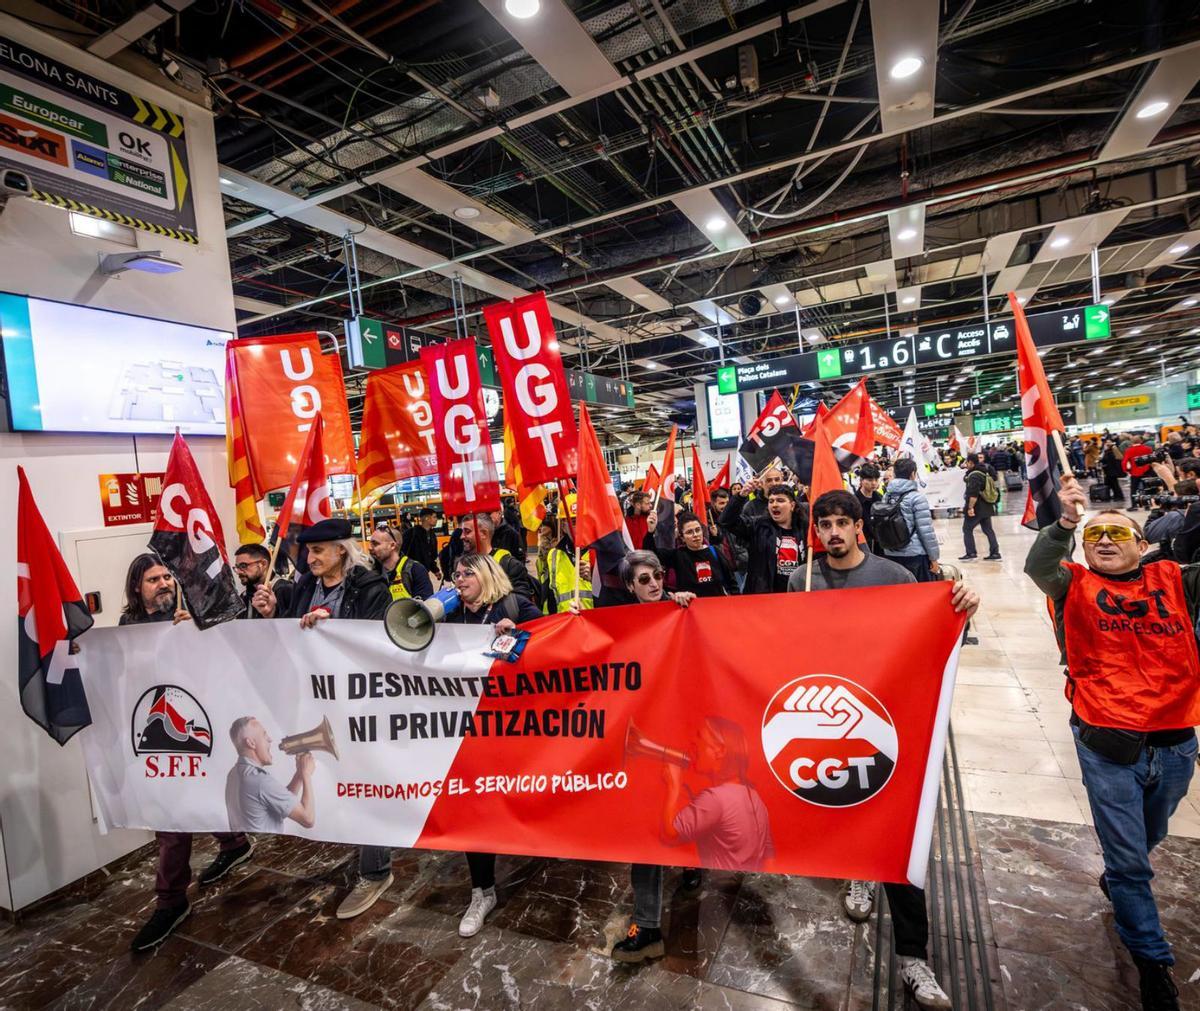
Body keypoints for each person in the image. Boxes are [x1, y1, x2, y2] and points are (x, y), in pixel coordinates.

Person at [790, 491, 979, 1010]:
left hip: (888, 724)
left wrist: (963, 604)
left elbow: (934, 640)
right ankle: (858, 874)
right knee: (850, 814)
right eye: (823, 524)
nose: (832, 532)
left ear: (858, 528)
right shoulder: (799, 579)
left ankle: (912, 958)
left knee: (902, 839)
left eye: (841, 523)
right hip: (829, 723)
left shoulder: (895, 578)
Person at [1024, 477, 1199, 1011]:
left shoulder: (1177, 581)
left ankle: (1123, 882)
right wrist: (1066, 522)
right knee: (1128, 860)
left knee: (1153, 831)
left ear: (1143, 545)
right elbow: (1038, 565)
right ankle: (1152, 963)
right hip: (1106, 743)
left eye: (1116, 533)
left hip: (1174, 742)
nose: (1103, 540)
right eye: (1095, 533)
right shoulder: (1069, 584)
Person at [251, 518, 393, 920]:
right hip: (317, 704)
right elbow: (289, 639)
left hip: (358, 706)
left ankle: (375, 869)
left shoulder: (369, 588)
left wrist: (337, 631)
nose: (309, 558)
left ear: (342, 552)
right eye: (309, 551)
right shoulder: (303, 588)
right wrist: (271, 616)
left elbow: (378, 642)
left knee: (366, 782)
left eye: (319, 551)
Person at [121, 554, 254, 952]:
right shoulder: (127, 627)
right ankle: (171, 901)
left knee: (205, 796)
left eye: (166, 576)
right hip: (159, 735)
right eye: (153, 579)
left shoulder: (190, 617)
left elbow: (228, 650)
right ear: (136, 588)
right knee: (171, 818)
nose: (163, 583)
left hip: (196, 726)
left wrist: (198, 629)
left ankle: (233, 844)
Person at [596, 549, 698, 963]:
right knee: (648, 831)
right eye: (643, 579)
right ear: (630, 585)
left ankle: (691, 859)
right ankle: (648, 925)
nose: (654, 583)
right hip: (644, 741)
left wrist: (689, 609)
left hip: (688, 730)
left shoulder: (684, 608)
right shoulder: (620, 624)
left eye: (657, 575)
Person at [444, 552, 542, 938]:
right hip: (472, 729)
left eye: (468, 572)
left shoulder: (514, 605)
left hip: (517, 728)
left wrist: (522, 632)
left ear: (487, 575)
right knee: (472, 806)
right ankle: (481, 891)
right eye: (456, 573)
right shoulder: (450, 614)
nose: (460, 578)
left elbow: (557, 641)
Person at [657, 717, 773, 871]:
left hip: (715, 887)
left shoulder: (715, 799)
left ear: (720, 751)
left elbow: (668, 837)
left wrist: (673, 787)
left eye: (699, 736)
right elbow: (769, 853)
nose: (693, 742)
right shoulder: (755, 797)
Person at [225, 717, 316, 833]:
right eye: (264, 735)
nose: (270, 739)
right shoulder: (259, 781)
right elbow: (308, 819)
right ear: (251, 743)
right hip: (264, 851)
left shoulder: (234, 774)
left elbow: (279, 804)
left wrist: (299, 774)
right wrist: (306, 775)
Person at [719, 480, 809, 594]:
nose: (774, 504)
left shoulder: (805, 528)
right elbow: (726, 521)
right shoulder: (757, 526)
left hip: (796, 595)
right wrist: (741, 496)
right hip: (764, 597)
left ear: (792, 505)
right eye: (771, 501)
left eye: (780, 500)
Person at [646, 509, 737, 596]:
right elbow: (650, 555)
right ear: (682, 537)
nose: (695, 535)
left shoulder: (715, 551)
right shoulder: (678, 555)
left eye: (698, 530)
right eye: (689, 532)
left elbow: (731, 582)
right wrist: (650, 532)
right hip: (690, 609)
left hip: (716, 607)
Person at [880, 458, 941, 582]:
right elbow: (926, 531)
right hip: (914, 555)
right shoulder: (917, 498)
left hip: (890, 553)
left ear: (895, 474)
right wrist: (934, 558)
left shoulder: (886, 496)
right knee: (920, 593)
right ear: (913, 474)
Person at [462, 513, 540, 605]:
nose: (462, 536)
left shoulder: (510, 566)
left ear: (484, 533)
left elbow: (521, 604)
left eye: (467, 532)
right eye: (462, 532)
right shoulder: (462, 564)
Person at [368, 525, 433, 600]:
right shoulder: (368, 572)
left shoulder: (415, 570)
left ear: (392, 545)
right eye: (370, 543)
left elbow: (426, 606)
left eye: (375, 544)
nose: (369, 548)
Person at [233, 543, 293, 619]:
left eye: (243, 566)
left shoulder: (286, 590)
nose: (239, 571)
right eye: (237, 567)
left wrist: (272, 613)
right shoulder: (244, 597)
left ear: (263, 564)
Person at [960, 456, 1001, 561]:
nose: (966, 464)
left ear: (970, 462)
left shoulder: (974, 476)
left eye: (967, 462)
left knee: (967, 529)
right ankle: (995, 553)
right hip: (987, 506)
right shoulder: (984, 472)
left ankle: (971, 553)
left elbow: (973, 494)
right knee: (988, 530)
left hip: (977, 507)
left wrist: (970, 508)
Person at [400, 507, 441, 578]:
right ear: (426, 518)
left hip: (424, 572)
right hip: (411, 572)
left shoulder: (432, 535)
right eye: (434, 517)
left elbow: (430, 556)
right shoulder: (411, 533)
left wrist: (435, 570)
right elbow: (402, 551)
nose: (436, 519)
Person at [854, 464, 883, 551]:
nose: (874, 483)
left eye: (876, 480)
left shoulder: (880, 498)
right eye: (870, 480)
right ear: (861, 480)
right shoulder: (854, 501)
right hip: (862, 544)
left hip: (880, 544)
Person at [1123, 434, 1154, 503]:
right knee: (1148, 488)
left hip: (1135, 472)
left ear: (1132, 441)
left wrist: (1126, 470)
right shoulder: (1148, 449)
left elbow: (1125, 461)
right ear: (1141, 441)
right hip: (1147, 471)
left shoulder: (1129, 450)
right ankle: (1148, 504)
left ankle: (1134, 505)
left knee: (1133, 489)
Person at [1101, 439, 1126, 504]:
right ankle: (1112, 495)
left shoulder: (1112, 450)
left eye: (1108, 443)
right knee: (1110, 484)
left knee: (1114, 484)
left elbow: (1118, 458)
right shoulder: (1108, 451)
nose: (1107, 444)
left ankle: (1119, 496)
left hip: (1111, 471)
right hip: (1109, 470)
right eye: (1106, 442)